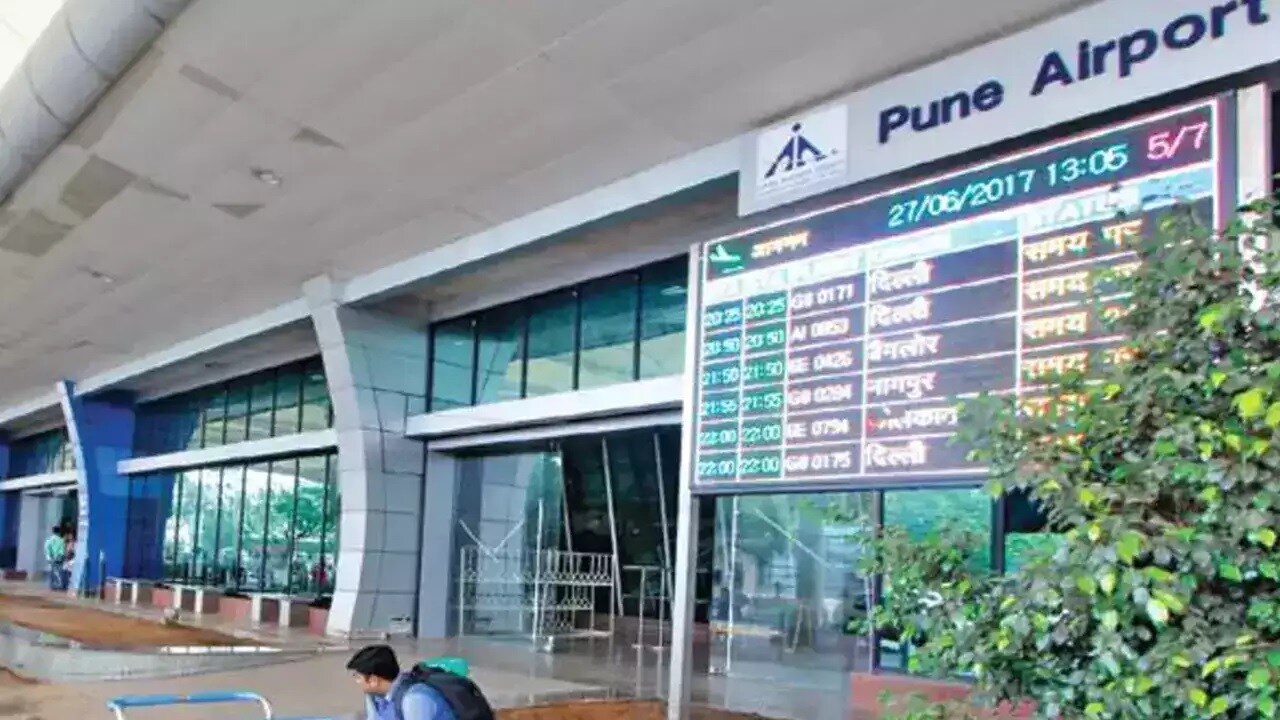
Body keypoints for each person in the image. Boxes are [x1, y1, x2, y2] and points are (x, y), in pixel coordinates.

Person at [348, 645, 458, 720]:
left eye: (357, 677)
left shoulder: (415, 699)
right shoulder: (374, 696)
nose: (356, 681)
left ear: (373, 680)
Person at [43, 525, 65, 591]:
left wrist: (49, 557)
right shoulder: (61, 540)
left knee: (51, 572)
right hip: (58, 559)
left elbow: (46, 549)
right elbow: (61, 551)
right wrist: (57, 557)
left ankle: (51, 586)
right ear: (59, 532)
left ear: (53, 531)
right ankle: (58, 586)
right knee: (58, 572)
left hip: (50, 559)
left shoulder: (49, 540)